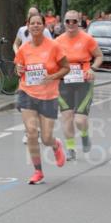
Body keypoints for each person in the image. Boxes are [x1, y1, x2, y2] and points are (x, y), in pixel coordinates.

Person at [14, 11, 70, 184]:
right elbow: (19, 68)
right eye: (33, 23)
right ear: (28, 27)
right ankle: (38, 172)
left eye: (39, 23)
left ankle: (55, 145)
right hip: (27, 93)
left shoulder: (53, 47)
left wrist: (53, 77)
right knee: (31, 133)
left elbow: (66, 67)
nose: (36, 26)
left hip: (48, 96)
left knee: (45, 138)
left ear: (44, 26)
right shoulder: (24, 48)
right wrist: (18, 70)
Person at [55, 10, 103, 160]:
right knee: (67, 117)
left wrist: (92, 69)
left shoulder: (87, 39)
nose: (71, 24)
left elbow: (99, 56)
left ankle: (84, 134)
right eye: (68, 21)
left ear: (79, 22)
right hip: (64, 83)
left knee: (80, 120)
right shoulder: (57, 41)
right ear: (63, 23)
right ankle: (70, 149)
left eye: (74, 21)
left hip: (84, 82)